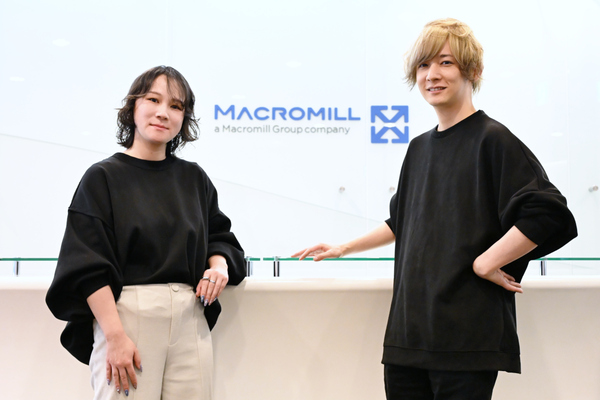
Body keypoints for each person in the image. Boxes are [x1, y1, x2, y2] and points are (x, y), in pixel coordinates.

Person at [294, 18, 577, 399]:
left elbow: (548, 214)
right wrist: (343, 247)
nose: (432, 75)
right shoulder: (418, 148)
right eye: (424, 65)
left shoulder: (493, 140)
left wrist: (486, 262)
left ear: (473, 71)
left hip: (466, 338)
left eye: (446, 62)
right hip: (408, 335)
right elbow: (402, 220)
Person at [46, 65, 245, 399]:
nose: (163, 112)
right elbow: (87, 265)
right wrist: (114, 336)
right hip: (127, 317)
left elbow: (219, 237)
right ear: (133, 107)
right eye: (153, 99)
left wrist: (219, 267)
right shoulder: (102, 177)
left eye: (176, 106)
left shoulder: (194, 179)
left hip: (191, 316)